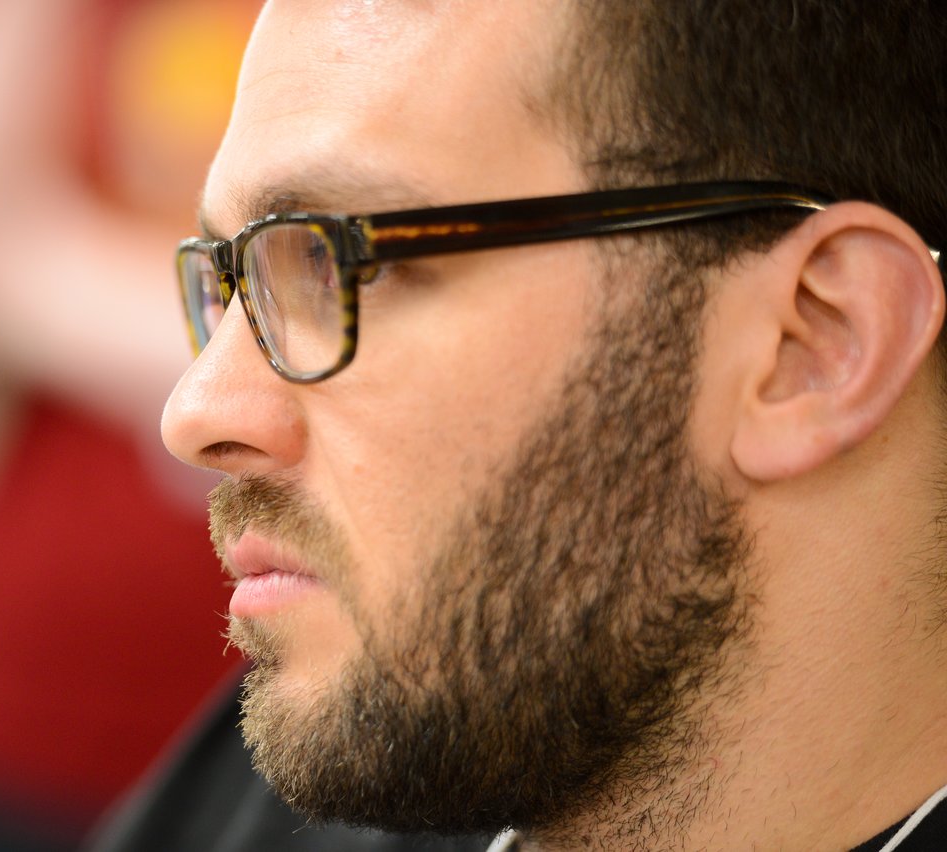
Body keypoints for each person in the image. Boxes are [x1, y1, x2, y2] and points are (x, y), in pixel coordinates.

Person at [113, 1, 947, 850]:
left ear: (813, 343)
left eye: (338, 263)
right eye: (231, 281)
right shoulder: (290, 791)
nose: (195, 414)